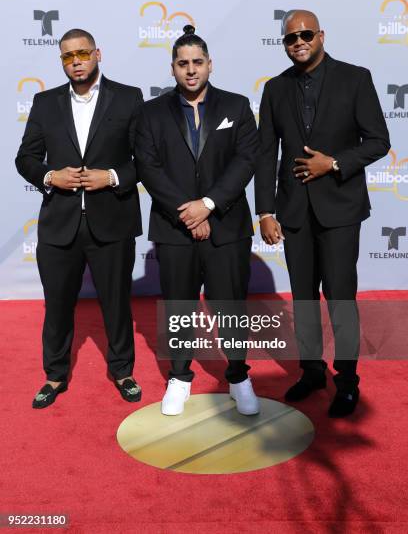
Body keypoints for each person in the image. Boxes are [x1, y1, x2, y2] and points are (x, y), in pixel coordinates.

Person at [255, 10, 390, 417]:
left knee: (340, 298)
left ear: (321, 36)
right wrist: (264, 210)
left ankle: (347, 380)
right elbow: (266, 153)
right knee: (303, 300)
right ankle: (311, 370)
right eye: (290, 37)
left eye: (306, 34)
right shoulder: (276, 88)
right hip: (294, 211)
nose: (298, 41)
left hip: (340, 210)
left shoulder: (355, 78)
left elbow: (379, 141)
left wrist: (333, 163)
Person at [134, 25, 260, 416]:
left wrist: (207, 204)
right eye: (183, 63)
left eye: (198, 62)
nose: (191, 70)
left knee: (231, 306)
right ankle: (179, 377)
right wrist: (188, 212)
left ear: (210, 65)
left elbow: (246, 161)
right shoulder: (151, 112)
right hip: (175, 229)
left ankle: (238, 376)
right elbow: (148, 168)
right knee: (178, 306)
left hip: (226, 226)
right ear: (172, 68)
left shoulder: (236, 107)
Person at [16, 28, 144, 408]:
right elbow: (25, 158)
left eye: (83, 54)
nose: (76, 62)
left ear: (97, 54)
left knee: (117, 303)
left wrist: (114, 177)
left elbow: (146, 160)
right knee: (56, 304)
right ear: (62, 61)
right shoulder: (44, 102)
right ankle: (54, 376)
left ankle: (123, 371)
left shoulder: (129, 98)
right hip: (60, 222)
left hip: (112, 219)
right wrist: (48, 176)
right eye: (68, 56)